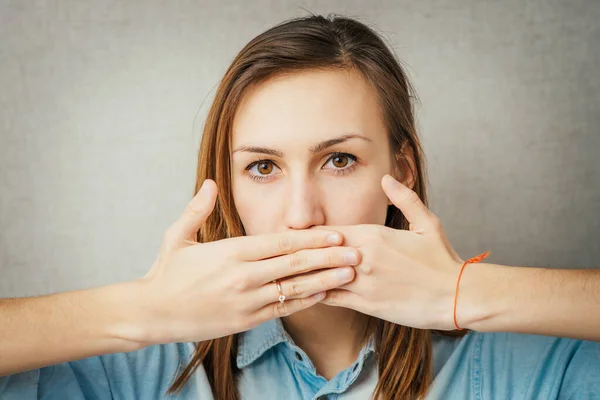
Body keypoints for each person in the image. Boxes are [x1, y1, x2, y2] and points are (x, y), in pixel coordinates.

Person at [1, 14, 599, 400]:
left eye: (339, 160)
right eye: (263, 167)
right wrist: (142, 308)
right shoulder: (134, 372)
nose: (301, 215)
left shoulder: (529, 367)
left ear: (403, 173)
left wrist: (466, 294)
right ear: (226, 187)